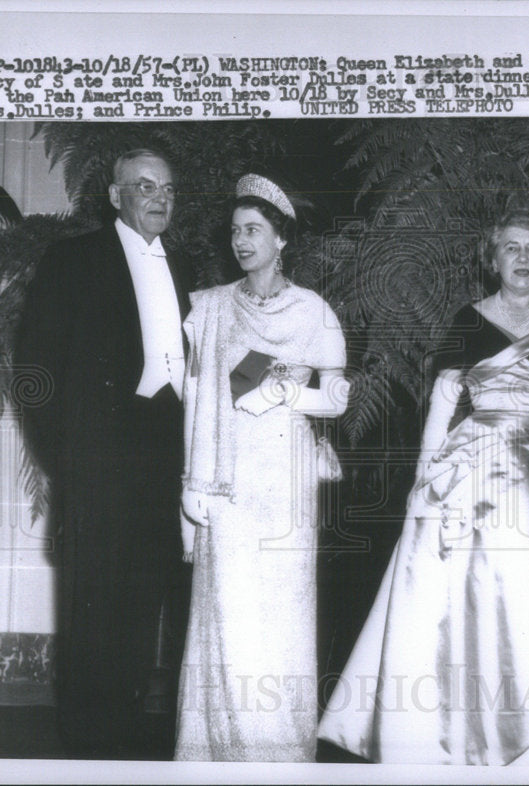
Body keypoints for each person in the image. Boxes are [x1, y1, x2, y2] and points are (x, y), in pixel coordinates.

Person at [317, 207, 529, 766]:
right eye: (511, 248)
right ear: (492, 261)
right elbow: (443, 403)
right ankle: (462, 735)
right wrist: (423, 477)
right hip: (475, 462)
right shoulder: (469, 319)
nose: (522, 258)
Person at [16, 149, 191, 758]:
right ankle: (86, 749)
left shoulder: (192, 269)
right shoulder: (73, 261)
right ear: (115, 196)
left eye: (167, 187)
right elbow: (33, 374)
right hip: (96, 463)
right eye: (145, 186)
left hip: (166, 458)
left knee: (144, 607)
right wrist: (68, 461)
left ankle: (127, 743)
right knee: (92, 610)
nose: (159, 197)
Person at [174, 174, 349, 762]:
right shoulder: (210, 308)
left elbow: (338, 399)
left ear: (281, 241)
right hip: (226, 478)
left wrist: (287, 396)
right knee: (225, 613)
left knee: (280, 617)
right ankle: (213, 757)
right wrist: (192, 484)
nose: (241, 241)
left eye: (254, 230)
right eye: (234, 231)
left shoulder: (314, 312)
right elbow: (197, 400)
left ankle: (279, 760)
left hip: (286, 477)